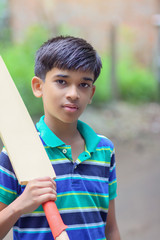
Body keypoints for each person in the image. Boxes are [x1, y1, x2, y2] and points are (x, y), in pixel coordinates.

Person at [0, 36, 121, 240]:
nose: (73, 94)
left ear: (91, 93)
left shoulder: (104, 150)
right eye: (62, 82)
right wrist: (20, 205)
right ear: (39, 86)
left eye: (83, 84)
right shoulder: (16, 153)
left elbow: (110, 228)